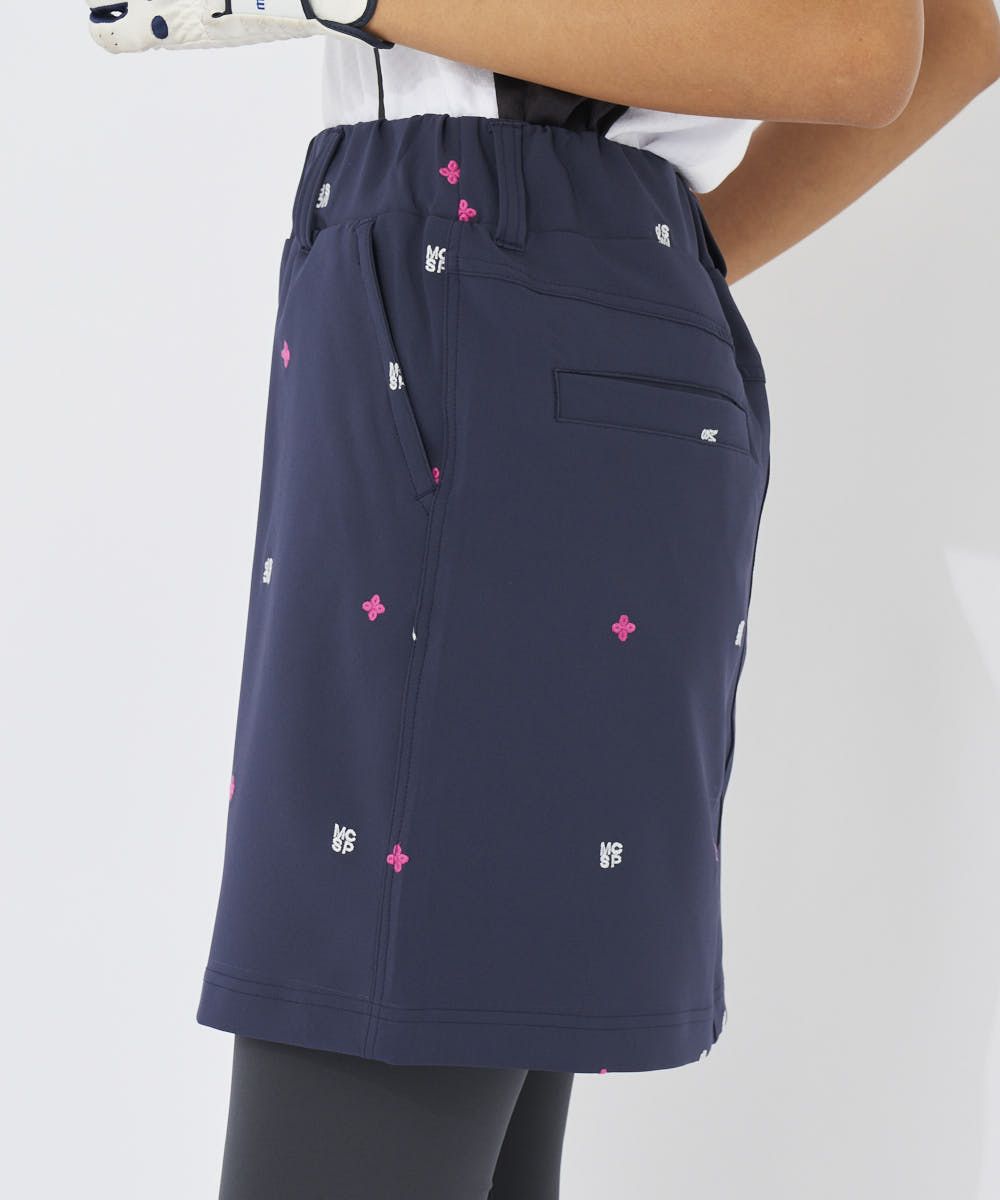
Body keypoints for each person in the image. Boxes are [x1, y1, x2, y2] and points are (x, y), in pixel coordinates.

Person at [89, 3, 1000, 1197]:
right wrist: (643, 257)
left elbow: (867, 46)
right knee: (440, 1024)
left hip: (470, 301)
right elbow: (956, 32)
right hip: (468, 303)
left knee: (385, 1020)